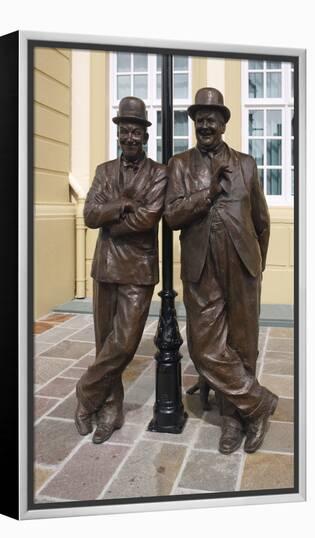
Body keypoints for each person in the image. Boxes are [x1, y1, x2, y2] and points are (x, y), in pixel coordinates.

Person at [165, 87, 278, 454]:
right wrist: (209, 193)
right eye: (199, 117)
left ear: (224, 123)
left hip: (243, 265)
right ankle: (259, 402)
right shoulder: (180, 165)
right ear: (194, 123)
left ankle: (234, 418)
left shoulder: (246, 163)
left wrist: (255, 263)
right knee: (203, 346)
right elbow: (172, 217)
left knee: (243, 344)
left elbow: (261, 219)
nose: (205, 123)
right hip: (202, 267)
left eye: (212, 117)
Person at [75, 96, 167, 444]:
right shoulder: (103, 171)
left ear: (146, 135)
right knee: (105, 344)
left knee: (125, 342)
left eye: (136, 132)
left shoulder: (160, 173)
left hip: (138, 269)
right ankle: (109, 407)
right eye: (124, 131)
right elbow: (89, 216)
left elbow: (148, 220)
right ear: (119, 134)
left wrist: (110, 218)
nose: (129, 137)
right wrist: (123, 205)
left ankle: (86, 391)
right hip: (106, 268)